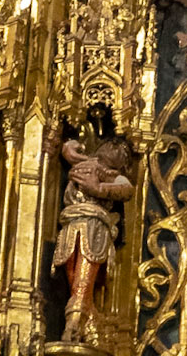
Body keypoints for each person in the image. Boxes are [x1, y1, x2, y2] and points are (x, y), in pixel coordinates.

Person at [51, 136, 134, 337]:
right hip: (71, 222)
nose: (113, 149)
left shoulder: (111, 175)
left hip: (94, 225)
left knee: (83, 279)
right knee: (73, 277)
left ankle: (75, 321)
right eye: (111, 144)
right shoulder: (85, 163)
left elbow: (126, 190)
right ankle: (85, 318)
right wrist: (69, 148)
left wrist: (98, 188)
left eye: (121, 150)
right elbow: (68, 151)